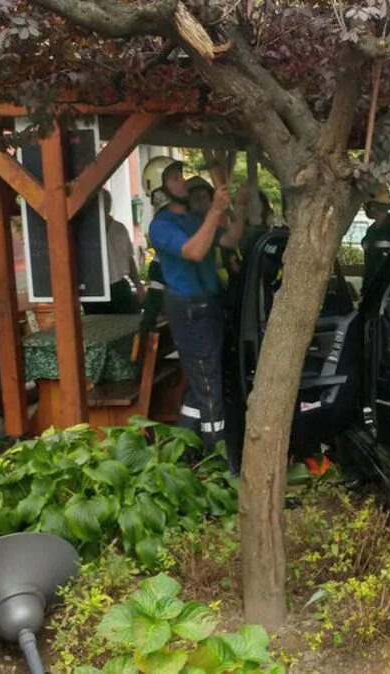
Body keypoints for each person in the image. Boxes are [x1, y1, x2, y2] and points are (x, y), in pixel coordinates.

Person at [144, 156, 246, 474]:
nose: (182, 182)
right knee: (209, 385)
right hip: (189, 310)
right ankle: (217, 466)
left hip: (208, 305)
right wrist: (215, 210)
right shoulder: (160, 226)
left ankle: (183, 449)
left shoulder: (191, 218)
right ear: (158, 189)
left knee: (199, 384)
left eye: (180, 175)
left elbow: (230, 239)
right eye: (174, 178)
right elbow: (194, 251)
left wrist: (233, 210)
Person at [85, 190, 143, 315]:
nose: (105, 205)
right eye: (102, 201)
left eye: (108, 201)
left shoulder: (120, 229)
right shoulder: (85, 230)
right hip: (95, 290)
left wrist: (138, 285)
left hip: (119, 286)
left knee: (126, 326)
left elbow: (129, 259)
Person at [360, 186, 390, 291]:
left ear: (373, 207)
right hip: (374, 293)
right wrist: (365, 292)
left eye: (367, 205)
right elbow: (369, 267)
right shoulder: (371, 231)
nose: (365, 209)